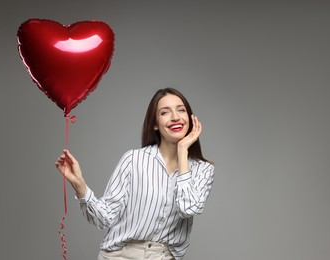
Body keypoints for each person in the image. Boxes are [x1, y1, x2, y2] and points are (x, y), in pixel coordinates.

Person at [56, 88, 215, 260]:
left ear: (190, 118)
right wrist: (80, 185)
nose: (175, 117)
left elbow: (188, 208)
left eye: (181, 110)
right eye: (164, 112)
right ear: (155, 124)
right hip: (120, 255)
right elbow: (104, 218)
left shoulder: (203, 169)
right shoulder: (133, 160)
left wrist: (182, 151)